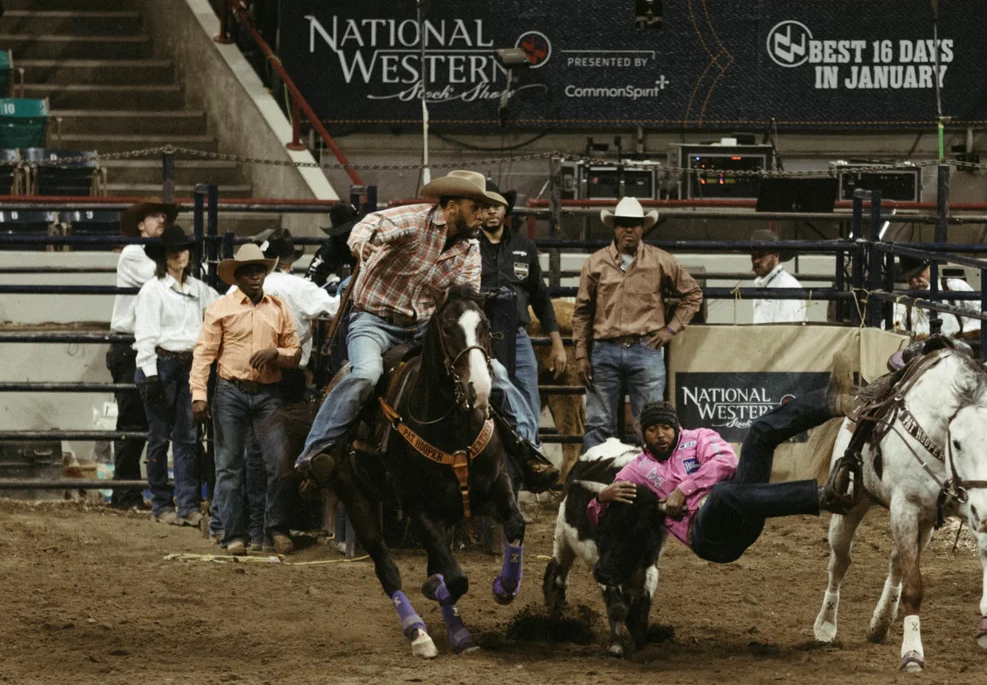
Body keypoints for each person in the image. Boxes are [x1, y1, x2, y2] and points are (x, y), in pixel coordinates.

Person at [295, 170, 556, 488]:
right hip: (375, 320)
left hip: (422, 326)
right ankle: (315, 454)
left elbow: (465, 299)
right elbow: (372, 225)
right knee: (365, 375)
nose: (482, 215)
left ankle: (529, 452)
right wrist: (362, 242)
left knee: (495, 374)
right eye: (476, 208)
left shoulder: (469, 249)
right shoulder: (415, 219)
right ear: (453, 206)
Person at [590, 402, 844, 566]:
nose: (660, 434)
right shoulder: (636, 469)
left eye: (666, 427)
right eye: (653, 429)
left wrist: (683, 489)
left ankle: (830, 402)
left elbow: (725, 462)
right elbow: (596, 516)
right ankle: (821, 496)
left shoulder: (699, 437)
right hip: (707, 537)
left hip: (743, 516)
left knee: (758, 433)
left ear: (676, 427)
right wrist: (602, 497)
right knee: (721, 494)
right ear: (643, 434)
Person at [190, 243, 298, 555]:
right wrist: (199, 394)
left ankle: (273, 527)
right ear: (236, 277)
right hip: (231, 392)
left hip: (266, 393)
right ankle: (233, 534)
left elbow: (295, 352)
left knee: (279, 462)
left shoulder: (278, 308)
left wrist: (276, 353)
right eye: (248, 271)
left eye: (259, 270)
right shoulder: (220, 309)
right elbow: (204, 354)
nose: (255, 276)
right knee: (229, 465)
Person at [574, 196, 704, 450]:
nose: (628, 230)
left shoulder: (659, 260)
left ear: (643, 228)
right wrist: (581, 354)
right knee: (599, 423)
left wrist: (669, 330)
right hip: (605, 349)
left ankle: (649, 484)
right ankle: (600, 487)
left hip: (645, 348)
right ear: (615, 227)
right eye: (623, 224)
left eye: (634, 224)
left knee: (650, 425)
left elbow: (693, 294)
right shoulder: (595, 263)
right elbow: (582, 311)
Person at [132, 226, 215, 528]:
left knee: (186, 437)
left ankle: (186, 505)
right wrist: (151, 374)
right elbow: (145, 336)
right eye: (173, 250)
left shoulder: (200, 290)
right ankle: (163, 503)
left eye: (183, 248)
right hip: (161, 363)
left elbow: (221, 308)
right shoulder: (152, 291)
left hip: (186, 366)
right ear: (164, 257)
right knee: (160, 437)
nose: (180, 254)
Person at [473, 191, 563, 450]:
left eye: (497, 206)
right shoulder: (468, 245)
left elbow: (541, 297)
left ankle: (530, 456)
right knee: (482, 398)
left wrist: (556, 343)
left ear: (505, 210)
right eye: (486, 206)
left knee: (528, 398)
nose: (492, 212)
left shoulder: (524, 246)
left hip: (517, 334)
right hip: (479, 335)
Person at [108, 200, 175, 511]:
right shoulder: (135, 253)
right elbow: (165, 279)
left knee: (141, 423)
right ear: (140, 224)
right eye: (154, 216)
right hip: (130, 344)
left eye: (164, 216)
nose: (161, 219)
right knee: (133, 421)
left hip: (142, 344)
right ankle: (125, 493)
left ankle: (129, 493)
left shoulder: (141, 254)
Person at [240, 227, 339, 397]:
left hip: (245, 369)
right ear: (290, 263)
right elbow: (336, 308)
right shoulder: (299, 286)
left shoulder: (241, 285)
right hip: (286, 371)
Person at [745, 229, 806, 324]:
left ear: (776, 256)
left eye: (761, 255)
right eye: (754, 256)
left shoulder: (787, 287)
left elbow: (787, 334)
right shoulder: (765, 284)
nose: (756, 261)